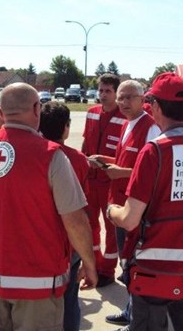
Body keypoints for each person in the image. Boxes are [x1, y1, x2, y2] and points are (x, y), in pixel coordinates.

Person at [0, 83, 97, 330]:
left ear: (1, 110)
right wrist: (89, 261)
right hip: (36, 278)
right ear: (36, 109)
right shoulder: (51, 155)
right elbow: (74, 218)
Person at [107, 73, 183, 331]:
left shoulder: (155, 150)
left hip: (155, 264)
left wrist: (111, 210)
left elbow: (129, 219)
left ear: (156, 107)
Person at [95, 80, 160, 327]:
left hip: (136, 208)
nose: (123, 103)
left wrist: (119, 172)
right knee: (127, 262)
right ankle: (132, 308)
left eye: (129, 98)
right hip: (120, 205)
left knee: (135, 263)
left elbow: (153, 170)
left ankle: (138, 319)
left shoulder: (150, 128)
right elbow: (128, 160)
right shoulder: (127, 124)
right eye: (120, 98)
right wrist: (106, 159)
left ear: (143, 99)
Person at [39, 101, 90, 331]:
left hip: (39, 239)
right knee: (69, 299)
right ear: (67, 127)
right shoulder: (78, 160)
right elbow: (81, 210)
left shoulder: (34, 155)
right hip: (68, 243)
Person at [81, 74, 125, 287]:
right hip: (90, 181)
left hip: (110, 183)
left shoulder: (125, 119)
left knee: (111, 228)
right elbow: (84, 145)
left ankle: (108, 269)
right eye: (100, 90)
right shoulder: (91, 114)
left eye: (108, 91)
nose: (103, 95)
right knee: (89, 227)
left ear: (116, 93)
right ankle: (95, 265)